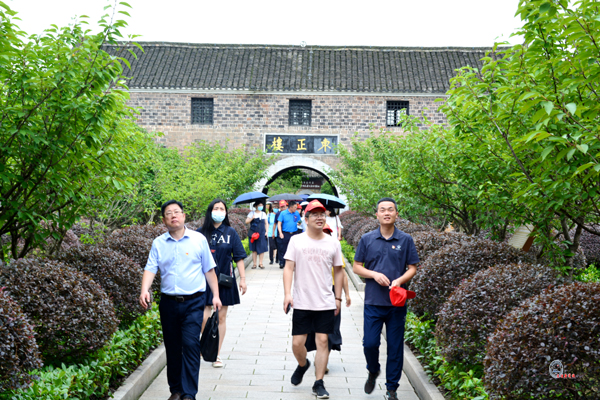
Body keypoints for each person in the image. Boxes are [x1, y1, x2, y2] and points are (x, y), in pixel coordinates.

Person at [139, 200, 222, 400]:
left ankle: (189, 394)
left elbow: (209, 270)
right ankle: (176, 390)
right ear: (164, 220)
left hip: (194, 301)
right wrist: (144, 290)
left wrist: (216, 295)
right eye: (169, 213)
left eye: (177, 212)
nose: (173, 216)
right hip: (168, 303)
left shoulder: (198, 239)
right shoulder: (159, 243)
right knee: (173, 346)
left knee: (191, 344)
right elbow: (151, 268)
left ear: (184, 216)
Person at [352, 197, 419, 400]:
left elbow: (413, 268)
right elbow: (356, 267)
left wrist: (399, 280)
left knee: (395, 347)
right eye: (383, 210)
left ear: (396, 214)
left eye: (390, 209)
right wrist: (373, 274)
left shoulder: (405, 239)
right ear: (377, 214)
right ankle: (373, 370)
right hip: (373, 301)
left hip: (396, 303)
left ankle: (392, 389)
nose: (387, 213)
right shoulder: (367, 239)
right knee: (370, 344)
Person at [283, 200, 344, 399]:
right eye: (315, 214)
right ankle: (303, 364)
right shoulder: (296, 241)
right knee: (297, 343)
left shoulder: (333, 242)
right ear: (306, 219)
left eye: (322, 214)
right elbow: (288, 268)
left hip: (325, 301)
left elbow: (339, 271)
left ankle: (319, 383)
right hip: (302, 300)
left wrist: (338, 298)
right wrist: (287, 294)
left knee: (323, 341)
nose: (320, 217)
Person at [198, 199, 247, 368]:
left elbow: (239, 257)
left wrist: (243, 279)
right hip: (204, 280)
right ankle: (206, 344)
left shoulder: (231, 233)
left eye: (222, 209)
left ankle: (216, 354)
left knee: (220, 317)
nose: (219, 211)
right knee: (204, 316)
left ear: (226, 213)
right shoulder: (200, 233)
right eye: (216, 208)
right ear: (210, 211)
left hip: (224, 280)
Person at [305, 224, 351, 374]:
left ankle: (324, 360)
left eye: (326, 232)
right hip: (313, 292)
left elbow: (342, 274)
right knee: (314, 328)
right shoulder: (308, 249)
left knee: (331, 328)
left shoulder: (334, 249)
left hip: (331, 292)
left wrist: (346, 295)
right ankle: (319, 355)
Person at [277, 200, 300, 269]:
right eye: (295, 207)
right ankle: (282, 262)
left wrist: (299, 223)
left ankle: (293, 263)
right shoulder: (283, 213)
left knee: (294, 249)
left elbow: (299, 221)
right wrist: (280, 233)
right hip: (285, 233)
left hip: (294, 233)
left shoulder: (296, 213)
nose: (296, 209)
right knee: (283, 248)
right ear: (290, 207)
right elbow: (279, 223)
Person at [245, 201, 268, 269]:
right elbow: (246, 222)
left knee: (262, 248)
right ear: (256, 206)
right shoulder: (251, 213)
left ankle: (261, 263)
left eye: (262, 205)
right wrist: (252, 218)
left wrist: (267, 231)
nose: (261, 206)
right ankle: (254, 264)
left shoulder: (263, 213)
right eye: (259, 205)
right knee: (254, 249)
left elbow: (266, 223)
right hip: (253, 233)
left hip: (262, 233)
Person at [274, 200, 288, 266]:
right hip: (279, 232)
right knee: (280, 247)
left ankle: (286, 261)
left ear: (286, 206)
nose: (283, 208)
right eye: (281, 207)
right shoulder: (278, 214)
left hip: (286, 232)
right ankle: (281, 262)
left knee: (286, 247)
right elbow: (275, 224)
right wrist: (273, 233)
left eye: (284, 207)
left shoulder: (289, 213)